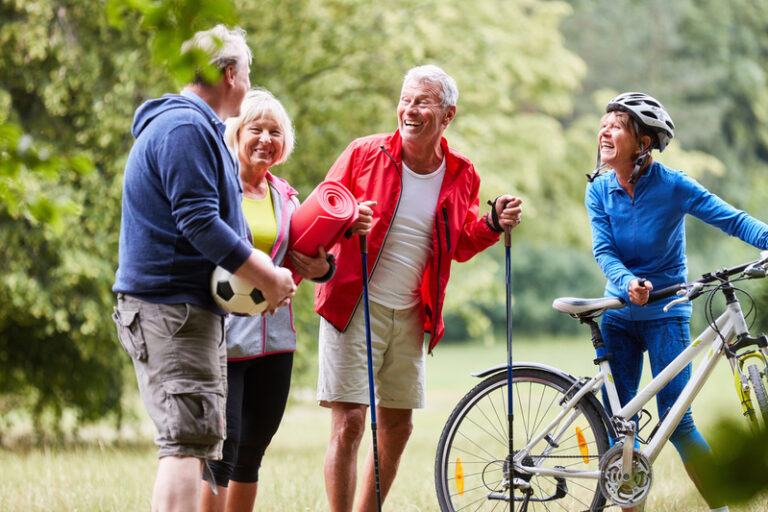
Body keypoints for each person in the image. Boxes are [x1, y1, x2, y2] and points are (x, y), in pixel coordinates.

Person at [314, 64, 523, 511]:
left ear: (447, 115)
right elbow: (320, 212)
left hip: (412, 312)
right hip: (354, 304)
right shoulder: (363, 153)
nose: (409, 109)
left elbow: (459, 242)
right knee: (350, 422)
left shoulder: (462, 173)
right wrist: (349, 222)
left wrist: (490, 222)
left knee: (397, 427)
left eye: (422, 101)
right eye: (406, 99)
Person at [112, 27, 296, 512]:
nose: (247, 83)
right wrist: (266, 274)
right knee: (184, 443)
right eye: (247, 74)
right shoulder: (185, 129)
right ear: (230, 74)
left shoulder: (195, 128)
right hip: (172, 312)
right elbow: (198, 221)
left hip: (187, 312)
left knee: (191, 442)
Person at [585, 91, 768, 512]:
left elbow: (733, 218)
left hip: (666, 313)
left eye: (617, 125)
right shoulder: (599, 192)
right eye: (604, 122)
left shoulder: (673, 185)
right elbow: (604, 251)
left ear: (643, 142)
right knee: (621, 428)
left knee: (678, 421)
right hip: (617, 315)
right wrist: (626, 281)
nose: (604, 130)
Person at [199, 88, 337, 511]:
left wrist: (324, 269)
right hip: (224, 341)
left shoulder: (288, 198)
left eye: (274, 131)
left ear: (284, 143)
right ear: (236, 134)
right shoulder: (216, 189)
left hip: (275, 343)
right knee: (222, 450)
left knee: (252, 453)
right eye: (255, 128)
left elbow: (314, 256)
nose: (265, 138)